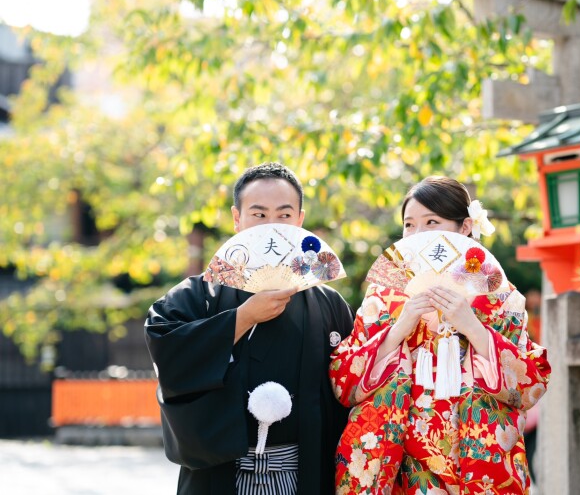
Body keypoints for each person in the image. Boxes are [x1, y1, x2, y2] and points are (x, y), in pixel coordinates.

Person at [329, 176, 551, 494]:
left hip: (474, 455)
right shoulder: (384, 296)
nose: (417, 235)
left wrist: (472, 326)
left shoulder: (499, 295)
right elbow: (343, 381)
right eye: (409, 225)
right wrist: (399, 328)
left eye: (431, 222)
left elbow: (530, 385)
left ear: (464, 228)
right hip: (403, 458)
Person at [146, 162, 354, 495]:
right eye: (258, 214)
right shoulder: (198, 295)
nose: (271, 226)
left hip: (304, 474)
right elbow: (166, 348)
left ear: (300, 220)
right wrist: (242, 318)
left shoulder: (328, 304)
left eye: (284, 215)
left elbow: (353, 385)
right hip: (222, 473)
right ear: (237, 218)